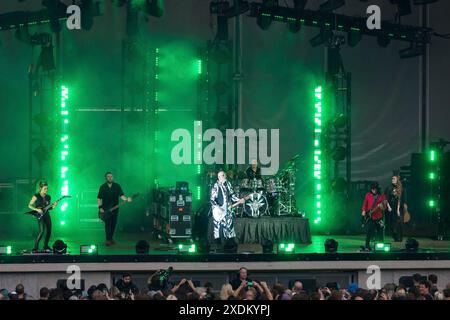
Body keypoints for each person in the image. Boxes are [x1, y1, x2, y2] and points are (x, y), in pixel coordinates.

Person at [210, 170, 245, 247]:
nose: (221, 177)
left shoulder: (228, 184)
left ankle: (230, 243)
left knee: (229, 225)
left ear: (225, 176)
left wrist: (239, 200)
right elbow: (212, 199)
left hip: (227, 209)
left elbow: (232, 195)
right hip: (219, 210)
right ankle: (218, 245)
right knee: (218, 228)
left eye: (222, 175)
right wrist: (217, 207)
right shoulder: (215, 186)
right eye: (219, 176)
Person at [97, 172, 132, 246]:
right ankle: (108, 240)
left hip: (115, 208)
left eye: (111, 176)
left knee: (113, 224)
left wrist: (126, 199)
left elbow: (121, 195)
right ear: (106, 178)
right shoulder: (102, 187)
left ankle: (110, 238)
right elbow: (99, 198)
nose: (110, 178)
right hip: (106, 209)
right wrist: (100, 208)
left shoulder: (117, 186)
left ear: (113, 177)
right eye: (108, 176)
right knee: (108, 224)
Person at [28, 181, 59, 253]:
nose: (46, 190)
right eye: (45, 188)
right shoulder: (36, 196)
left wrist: (54, 206)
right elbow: (29, 205)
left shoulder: (48, 197)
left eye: (47, 188)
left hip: (47, 214)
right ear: (40, 188)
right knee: (42, 231)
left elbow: (49, 208)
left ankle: (45, 246)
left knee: (49, 230)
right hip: (40, 215)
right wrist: (36, 209)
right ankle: (35, 247)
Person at [361, 182, 386, 251]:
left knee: (380, 231)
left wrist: (382, 207)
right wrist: (363, 210)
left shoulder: (382, 196)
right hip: (370, 216)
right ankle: (367, 245)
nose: (374, 190)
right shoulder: (368, 195)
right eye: (372, 189)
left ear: (377, 189)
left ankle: (381, 246)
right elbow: (364, 204)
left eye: (375, 189)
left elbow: (385, 207)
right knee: (369, 231)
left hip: (379, 217)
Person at [385, 173, 408, 242]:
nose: (392, 180)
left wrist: (404, 208)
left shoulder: (401, 188)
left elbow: (403, 199)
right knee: (392, 224)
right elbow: (385, 198)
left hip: (399, 208)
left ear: (397, 180)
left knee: (400, 223)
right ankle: (395, 237)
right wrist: (388, 207)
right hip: (391, 208)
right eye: (392, 178)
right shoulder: (389, 188)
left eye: (394, 179)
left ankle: (400, 238)